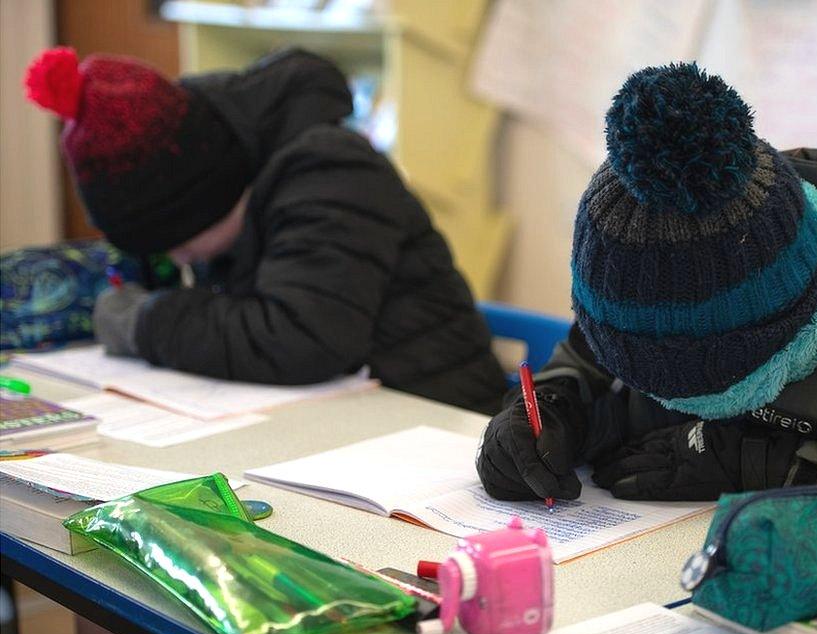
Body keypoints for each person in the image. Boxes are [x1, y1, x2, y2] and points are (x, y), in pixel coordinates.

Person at [476, 63, 817, 503]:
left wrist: (757, 466)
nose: (665, 394)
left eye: (693, 384)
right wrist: (542, 418)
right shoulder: (638, 301)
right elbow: (588, 373)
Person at [24, 47, 507, 414]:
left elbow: (301, 339)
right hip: (348, 419)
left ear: (204, 200)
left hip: (435, 423)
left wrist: (146, 322)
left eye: (178, 241)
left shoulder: (330, 173)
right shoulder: (227, 161)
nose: (179, 258)